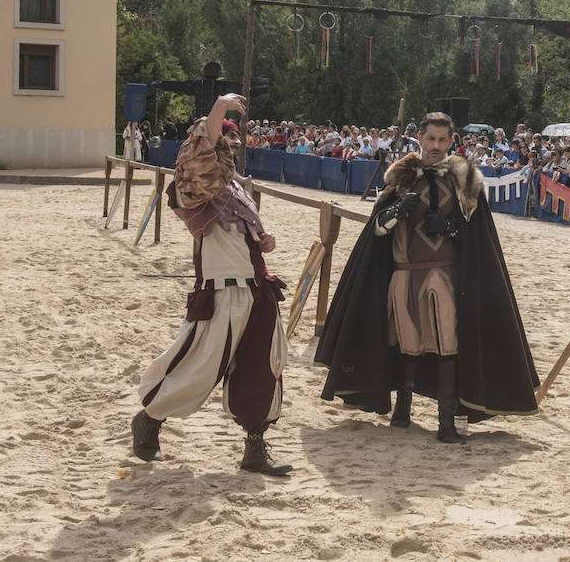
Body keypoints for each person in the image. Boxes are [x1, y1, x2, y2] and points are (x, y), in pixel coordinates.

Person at [316, 112, 539, 443]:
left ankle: (446, 422)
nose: (435, 145)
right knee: (407, 344)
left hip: (444, 276)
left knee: (447, 343)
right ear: (419, 138)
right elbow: (375, 234)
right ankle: (402, 412)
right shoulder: (400, 178)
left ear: (451, 142)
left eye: (442, 140)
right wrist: (392, 215)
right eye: (430, 138)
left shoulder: (464, 181)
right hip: (403, 276)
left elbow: (479, 241)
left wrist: (451, 227)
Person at [131, 94, 292, 476]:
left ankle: (255, 448)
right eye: (225, 140)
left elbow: (248, 235)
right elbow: (200, 160)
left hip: (257, 287)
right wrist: (218, 110)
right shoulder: (192, 185)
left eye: (236, 142)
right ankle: (150, 419)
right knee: (199, 368)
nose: (232, 146)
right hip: (220, 291)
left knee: (262, 366)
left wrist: (264, 241)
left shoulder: (240, 188)